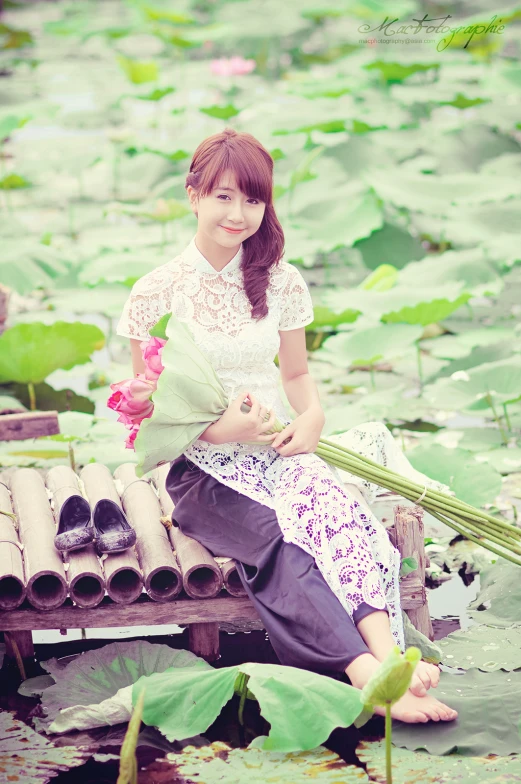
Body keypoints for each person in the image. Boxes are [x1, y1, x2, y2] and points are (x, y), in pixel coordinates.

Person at [116, 127, 457, 724]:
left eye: (253, 200)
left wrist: (314, 417)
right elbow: (152, 415)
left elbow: (296, 375)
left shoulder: (281, 279)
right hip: (203, 472)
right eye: (223, 197)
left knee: (337, 511)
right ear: (192, 194)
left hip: (277, 448)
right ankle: (368, 676)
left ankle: (391, 655)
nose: (239, 213)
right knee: (281, 539)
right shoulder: (156, 293)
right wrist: (214, 427)